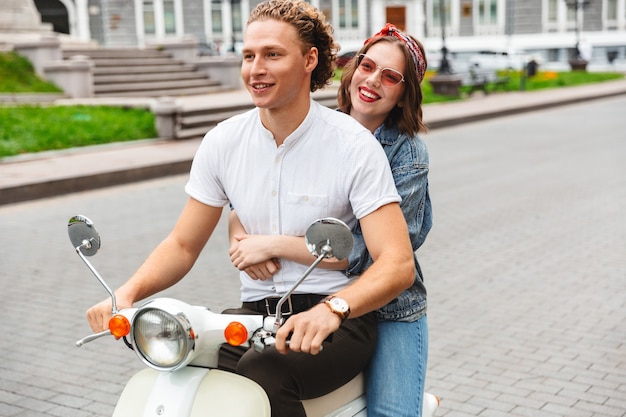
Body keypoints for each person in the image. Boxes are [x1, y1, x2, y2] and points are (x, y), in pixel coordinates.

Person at [85, 2, 415, 416]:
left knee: (266, 372)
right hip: (255, 316)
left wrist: (334, 310)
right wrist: (127, 293)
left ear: (309, 59)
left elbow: (398, 263)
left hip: (337, 319)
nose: (255, 68)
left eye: (272, 55)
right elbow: (184, 244)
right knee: (181, 363)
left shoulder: (353, 146)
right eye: (248, 56)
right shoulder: (223, 142)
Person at [228, 23, 432, 417]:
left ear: (405, 93)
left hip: (386, 306)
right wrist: (241, 240)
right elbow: (252, 195)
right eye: (367, 65)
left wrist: (273, 244)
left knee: (392, 414)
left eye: (390, 77)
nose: (373, 80)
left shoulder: (408, 156)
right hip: (300, 301)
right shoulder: (315, 127)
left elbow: (359, 252)